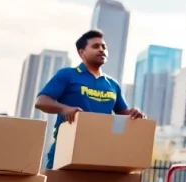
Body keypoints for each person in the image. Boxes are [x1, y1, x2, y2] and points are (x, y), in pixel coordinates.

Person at [35, 29, 144, 169]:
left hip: (101, 151)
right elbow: (41, 101)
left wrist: (134, 113)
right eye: (95, 46)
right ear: (81, 52)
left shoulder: (112, 84)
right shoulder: (68, 74)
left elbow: (122, 113)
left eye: (103, 47)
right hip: (66, 149)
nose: (101, 50)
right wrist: (64, 108)